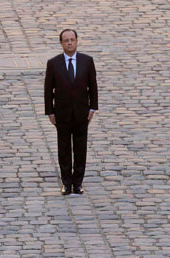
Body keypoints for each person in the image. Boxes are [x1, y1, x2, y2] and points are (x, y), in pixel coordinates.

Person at [44, 29, 98, 195]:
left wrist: (92, 108)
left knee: (80, 149)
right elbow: (48, 90)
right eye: (66, 40)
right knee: (64, 149)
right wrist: (50, 112)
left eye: (72, 40)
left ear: (76, 41)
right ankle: (66, 183)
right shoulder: (53, 63)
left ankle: (78, 183)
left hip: (82, 113)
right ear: (61, 43)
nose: (69, 43)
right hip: (62, 114)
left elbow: (93, 87)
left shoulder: (87, 61)